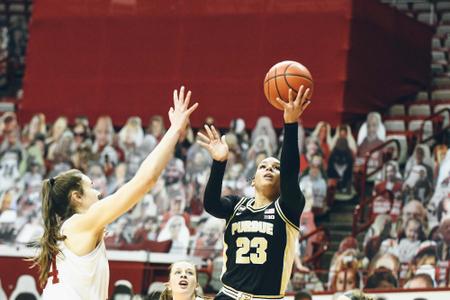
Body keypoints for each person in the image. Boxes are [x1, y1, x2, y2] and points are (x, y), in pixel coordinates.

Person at [32, 86, 198, 299]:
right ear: (76, 197)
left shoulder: (68, 230)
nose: (98, 191)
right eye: (90, 186)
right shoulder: (78, 224)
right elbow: (145, 181)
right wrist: (174, 130)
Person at [199, 86, 310, 299]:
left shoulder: (288, 208)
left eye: (275, 168)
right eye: (263, 166)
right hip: (228, 294)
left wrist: (290, 123)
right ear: (252, 181)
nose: (269, 168)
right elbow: (211, 204)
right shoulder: (236, 205)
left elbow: (290, 173)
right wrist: (219, 162)